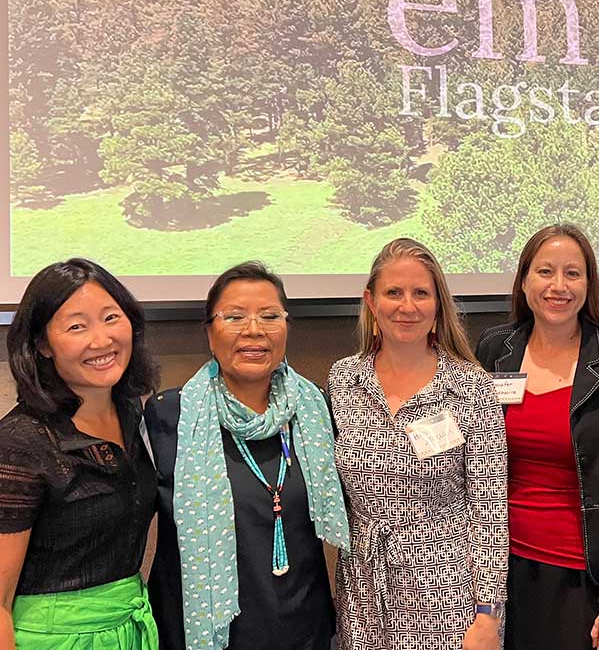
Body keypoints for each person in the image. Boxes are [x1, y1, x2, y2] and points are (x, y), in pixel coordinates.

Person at [475, 224, 599, 650]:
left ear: (589, 283)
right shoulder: (494, 350)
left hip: (586, 581)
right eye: (545, 272)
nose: (558, 286)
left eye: (572, 274)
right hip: (500, 576)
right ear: (524, 280)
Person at [144, 261, 349, 650]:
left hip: (304, 628)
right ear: (209, 332)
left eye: (270, 316)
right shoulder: (169, 416)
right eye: (234, 317)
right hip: (203, 633)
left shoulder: (317, 412)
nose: (254, 330)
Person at [328, 237, 508, 650]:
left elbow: (491, 510)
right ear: (371, 302)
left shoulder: (469, 386)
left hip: (449, 598)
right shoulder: (343, 381)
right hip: (364, 594)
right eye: (394, 292)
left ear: (438, 304)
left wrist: (488, 616)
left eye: (420, 293)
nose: (407, 307)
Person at [0, 258, 160, 650]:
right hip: (51, 638)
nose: (101, 340)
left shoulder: (134, 415)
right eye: (76, 326)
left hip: (130, 627)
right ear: (41, 345)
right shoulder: (20, 443)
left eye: (110, 317)